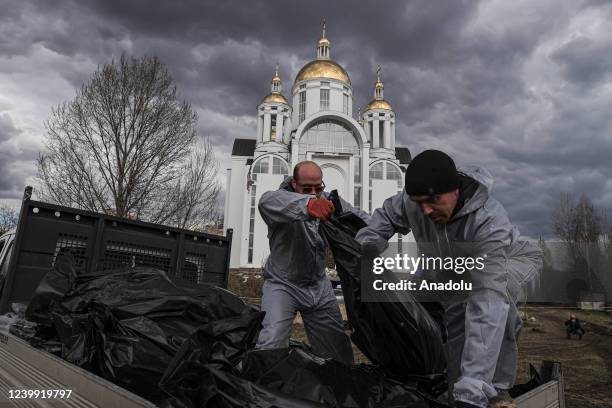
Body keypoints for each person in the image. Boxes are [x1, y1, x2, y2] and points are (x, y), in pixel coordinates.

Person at [355, 150, 542, 408]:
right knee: (457, 325)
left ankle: (496, 389)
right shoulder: (417, 203)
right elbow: (387, 214)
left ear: (454, 189)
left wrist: (474, 389)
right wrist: (369, 244)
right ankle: (459, 391)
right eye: (419, 202)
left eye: (433, 200)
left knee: (500, 304)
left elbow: (487, 305)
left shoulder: (488, 221)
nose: (426, 210)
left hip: (512, 260)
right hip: (454, 268)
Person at [256, 160, 370, 364]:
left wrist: (384, 227)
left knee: (339, 353)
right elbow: (266, 202)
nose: (313, 193)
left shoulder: (328, 201)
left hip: (319, 287)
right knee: (270, 344)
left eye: (318, 188)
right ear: (294, 184)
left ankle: (338, 392)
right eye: (306, 188)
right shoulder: (280, 201)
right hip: (283, 285)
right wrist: (308, 205)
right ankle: (264, 390)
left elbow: (359, 217)